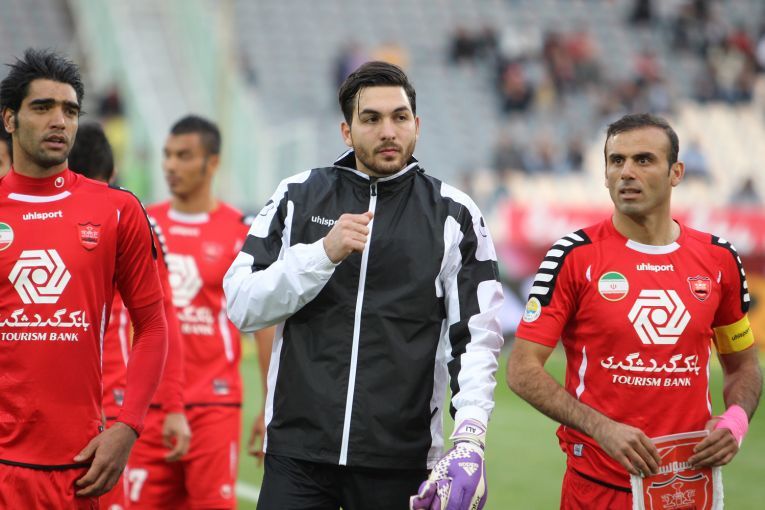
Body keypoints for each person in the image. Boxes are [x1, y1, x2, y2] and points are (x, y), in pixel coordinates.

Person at [224, 61, 504, 510]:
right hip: (298, 453)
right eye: (371, 119)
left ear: (417, 126)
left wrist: (470, 436)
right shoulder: (298, 195)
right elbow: (242, 304)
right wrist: (322, 254)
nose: (388, 131)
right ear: (347, 132)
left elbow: (476, 339)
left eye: (399, 117)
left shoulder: (455, 214)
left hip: (400, 459)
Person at [506, 113, 762, 509]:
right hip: (598, 489)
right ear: (605, 174)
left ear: (676, 173)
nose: (626, 172)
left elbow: (743, 365)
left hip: (689, 488)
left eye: (643, 160)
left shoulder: (720, 259)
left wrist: (737, 420)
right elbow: (522, 370)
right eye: (616, 161)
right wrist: (601, 428)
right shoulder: (572, 256)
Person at [0, 48, 167, 508]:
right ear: (9, 119)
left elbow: (152, 325)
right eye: (42, 107)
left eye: (70, 111)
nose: (59, 121)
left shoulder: (117, 210)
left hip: (77, 467)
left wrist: (128, 426)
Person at [128, 115, 273, 509]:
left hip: (214, 405)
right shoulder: (142, 223)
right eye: (167, 155)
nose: (170, 165)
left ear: (212, 163)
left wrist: (268, 407)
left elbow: (264, 325)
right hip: (147, 407)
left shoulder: (242, 231)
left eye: (184, 156)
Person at [67, 123, 189, 510]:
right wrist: (172, 406)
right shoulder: (133, 218)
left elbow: (155, 322)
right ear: (113, 171)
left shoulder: (128, 218)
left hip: (101, 407)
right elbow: (161, 319)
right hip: (114, 403)